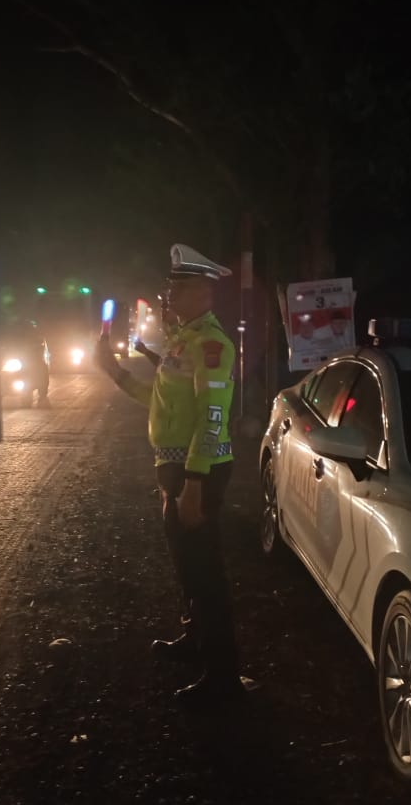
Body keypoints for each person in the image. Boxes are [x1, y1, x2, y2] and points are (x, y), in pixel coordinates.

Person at [94, 243, 244, 707]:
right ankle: (195, 639)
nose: (166, 296)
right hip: (174, 469)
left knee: (205, 574)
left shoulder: (212, 344)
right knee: (186, 566)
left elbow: (213, 417)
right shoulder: (181, 341)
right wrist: (115, 372)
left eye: (175, 288)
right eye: (167, 287)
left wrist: (195, 486)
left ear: (201, 292)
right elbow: (161, 402)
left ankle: (223, 678)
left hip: (197, 472)